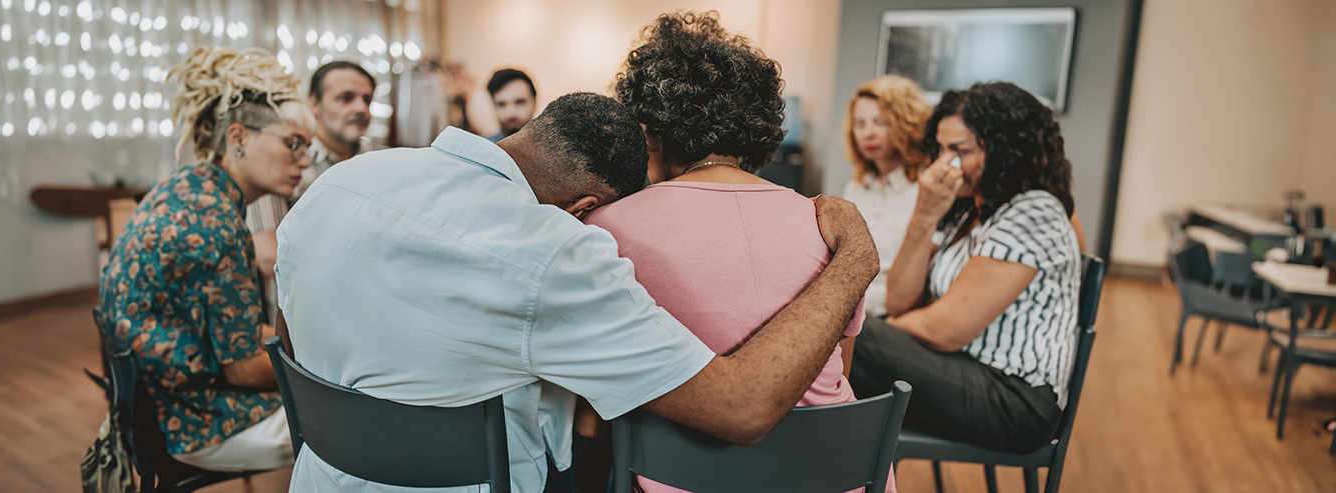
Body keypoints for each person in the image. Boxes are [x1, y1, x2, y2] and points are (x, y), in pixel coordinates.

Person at [274, 92, 879, 492]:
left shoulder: (343, 181)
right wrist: (852, 261)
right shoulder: (553, 254)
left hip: (322, 473)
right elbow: (740, 409)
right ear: (587, 208)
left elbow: (289, 328)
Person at [587, 12, 887, 492]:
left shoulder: (606, 229)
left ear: (649, 131)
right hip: (834, 474)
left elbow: (596, 396)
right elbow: (836, 370)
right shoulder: (829, 224)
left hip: (683, 477)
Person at [97, 46, 315, 471]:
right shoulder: (216, 224)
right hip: (191, 422)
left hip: (149, 405)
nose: (304, 162)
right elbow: (243, 373)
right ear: (237, 138)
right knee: (359, 427)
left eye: (306, 147)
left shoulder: (186, 187)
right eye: (293, 144)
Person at [846, 82, 1082, 455]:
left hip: (1014, 399)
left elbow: (944, 330)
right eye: (940, 149)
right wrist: (924, 213)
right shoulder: (968, 211)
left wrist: (869, 330)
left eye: (960, 151)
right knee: (847, 338)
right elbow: (902, 298)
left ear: (1006, 150)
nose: (943, 165)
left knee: (846, 330)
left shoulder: (1035, 210)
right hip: (961, 369)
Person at [247, 61, 376, 281]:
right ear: (314, 103)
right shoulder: (281, 161)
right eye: (346, 98)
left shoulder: (380, 164)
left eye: (367, 100)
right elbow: (270, 257)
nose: (361, 109)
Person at [841, 75, 932, 317]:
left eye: (879, 122)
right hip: (847, 300)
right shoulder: (857, 186)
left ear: (905, 123)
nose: (867, 133)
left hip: (887, 312)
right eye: (860, 124)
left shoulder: (926, 189)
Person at [485, 68, 537, 142]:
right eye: (501, 104)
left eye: (520, 102)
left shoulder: (555, 149)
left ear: (534, 102)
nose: (511, 113)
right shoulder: (480, 149)